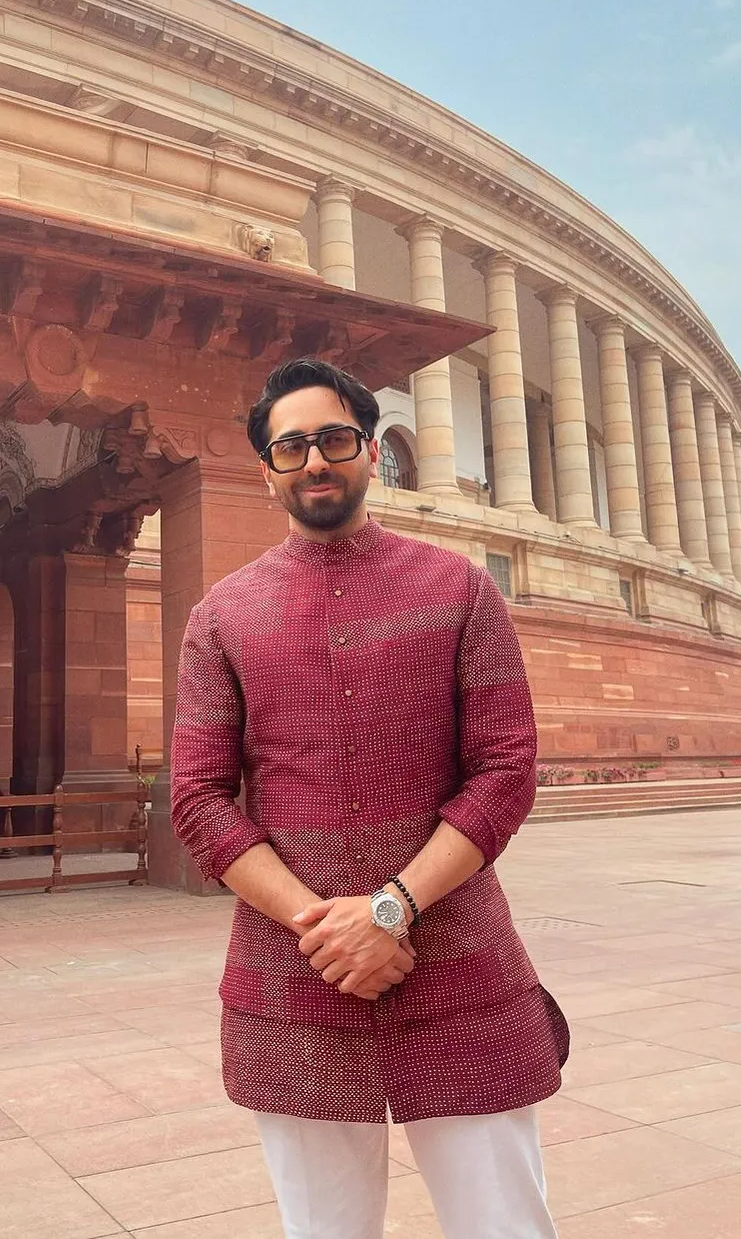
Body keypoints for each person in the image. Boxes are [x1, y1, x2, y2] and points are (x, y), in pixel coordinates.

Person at [171, 358, 569, 1239]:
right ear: (265, 469)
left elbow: (505, 770)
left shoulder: (460, 588)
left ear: (370, 448)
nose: (314, 460)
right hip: (295, 975)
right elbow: (197, 798)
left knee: (504, 1224)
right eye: (291, 446)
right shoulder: (223, 614)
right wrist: (330, 928)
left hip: (457, 962)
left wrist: (390, 909)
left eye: (335, 438)